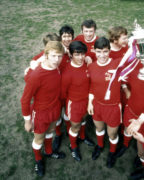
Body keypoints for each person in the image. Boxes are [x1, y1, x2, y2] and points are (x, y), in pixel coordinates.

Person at [20, 41, 66, 177]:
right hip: (40, 113)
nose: (57, 60)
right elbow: (25, 100)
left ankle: (49, 151)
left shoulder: (57, 68)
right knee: (38, 139)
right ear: (45, 55)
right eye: (53, 56)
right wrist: (27, 121)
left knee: (50, 131)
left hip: (55, 109)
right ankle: (38, 160)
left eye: (59, 56)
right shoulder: (36, 75)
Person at [87, 37, 121, 168]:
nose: (102, 55)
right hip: (97, 105)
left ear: (109, 51)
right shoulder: (91, 67)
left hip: (113, 107)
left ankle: (112, 152)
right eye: (99, 52)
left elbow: (136, 58)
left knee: (112, 134)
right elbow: (92, 86)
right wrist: (90, 102)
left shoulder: (118, 64)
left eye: (105, 51)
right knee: (99, 128)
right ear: (94, 51)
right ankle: (100, 145)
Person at [61, 41, 94, 162]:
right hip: (74, 104)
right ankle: (73, 146)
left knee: (84, 120)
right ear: (71, 54)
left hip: (87, 101)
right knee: (75, 125)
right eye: (77, 54)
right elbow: (63, 93)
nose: (80, 57)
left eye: (82, 54)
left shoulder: (87, 65)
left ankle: (83, 136)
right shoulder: (67, 73)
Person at [52, 24, 76, 152]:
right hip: (55, 91)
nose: (67, 39)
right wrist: (33, 64)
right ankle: (58, 134)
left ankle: (68, 130)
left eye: (69, 36)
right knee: (56, 114)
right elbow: (40, 57)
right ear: (61, 37)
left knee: (67, 112)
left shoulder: (75, 50)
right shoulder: (56, 50)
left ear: (73, 37)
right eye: (64, 36)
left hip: (69, 91)